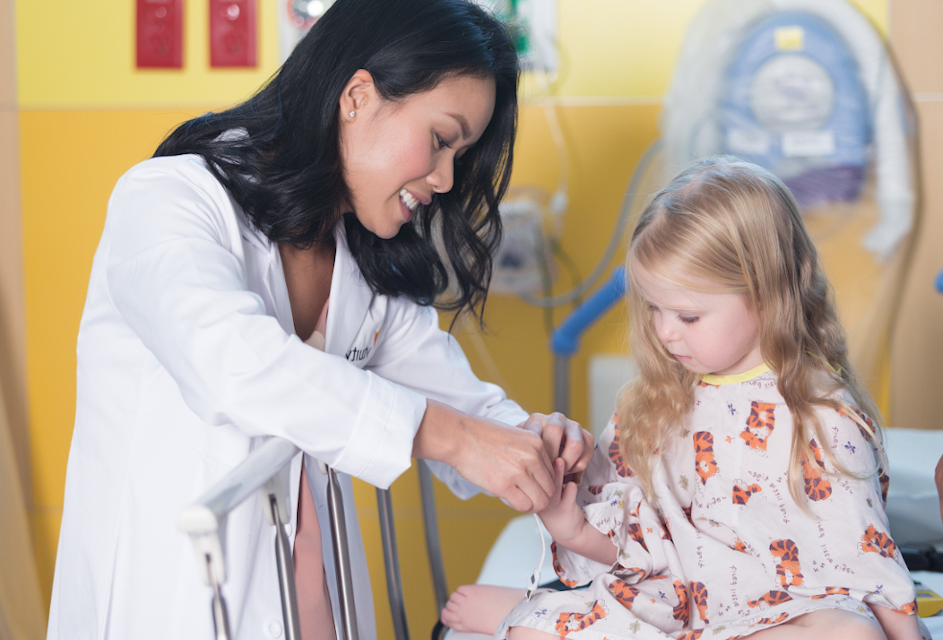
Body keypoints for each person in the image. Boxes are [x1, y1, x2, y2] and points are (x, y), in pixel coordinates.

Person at [46, 1, 594, 638]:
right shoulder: (168, 199)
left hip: (305, 602)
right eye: (441, 140)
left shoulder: (359, 259)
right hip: (172, 599)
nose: (445, 179)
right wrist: (459, 439)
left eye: (459, 155)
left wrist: (536, 443)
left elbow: (460, 405)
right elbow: (232, 363)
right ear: (357, 96)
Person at [441, 157, 927, 640]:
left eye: (688, 317)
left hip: (784, 615)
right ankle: (527, 610)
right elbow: (641, 549)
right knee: (534, 632)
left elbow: (866, 557)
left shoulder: (821, 415)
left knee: (851, 635)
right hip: (672, 605)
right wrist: (570, 527)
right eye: (654, 308)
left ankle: (535, 610)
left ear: (767, 294)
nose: (665, 332)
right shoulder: (654, 405)